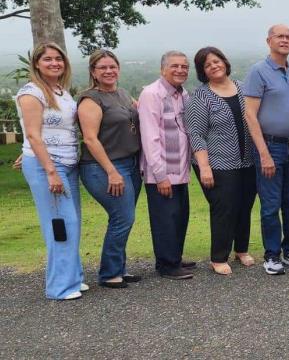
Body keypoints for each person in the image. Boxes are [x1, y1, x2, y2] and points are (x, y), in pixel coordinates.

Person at [16, 43, 85, 300]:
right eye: (48, 59)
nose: (54, 63)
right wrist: (49, 170)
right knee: (61, 224)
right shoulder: (32, 92)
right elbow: (33, 133)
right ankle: (60, 287)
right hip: (50, 167)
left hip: (68, 163)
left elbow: (54, 130)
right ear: (36, 63)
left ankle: (73, 277)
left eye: (59, 59)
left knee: (72, 222)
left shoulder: (61, 91)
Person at [187, 47, 257, 276]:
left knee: (244, 206)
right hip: (217, 164)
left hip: (247, 161)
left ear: (225, 62)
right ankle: (218, 257)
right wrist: (205, 167)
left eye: (216, 61)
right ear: (202, 71)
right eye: (207, 65)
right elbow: (196, 134)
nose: (214, 66)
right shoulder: (201, 96)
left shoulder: (242, 88)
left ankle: (242, 249)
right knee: (224, 208)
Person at [243, 24, 289, 275]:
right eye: (280, 36)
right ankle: (272, 255)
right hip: (271, 146)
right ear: (268, 40)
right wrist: (264, 153)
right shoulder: (258, 71)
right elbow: (250, 114)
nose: (285, 40)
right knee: (270, 204)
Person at [77, 49, 142, 288]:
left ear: (119, 68)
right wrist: (111, 172)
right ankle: (109, 273)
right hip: (102, 167)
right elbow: (90, 139)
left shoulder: (123, 94)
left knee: (123, 218)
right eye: (102, 67)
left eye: (112, 66)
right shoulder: (90, 100)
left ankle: (119, 269)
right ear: (93, 72)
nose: (108, 71)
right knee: (122, 217)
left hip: (131, 164)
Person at [139, 51, 195, 280]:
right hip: (161, 172)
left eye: (184, 66)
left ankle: (175, 256)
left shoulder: (183, 94)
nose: (180, 70)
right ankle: (167, 264)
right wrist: (160, 175)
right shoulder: (152, 94)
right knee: (164, 219)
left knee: (180, 216)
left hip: (180, 169)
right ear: (163, 69)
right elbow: (150, 137)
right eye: (175, 66)